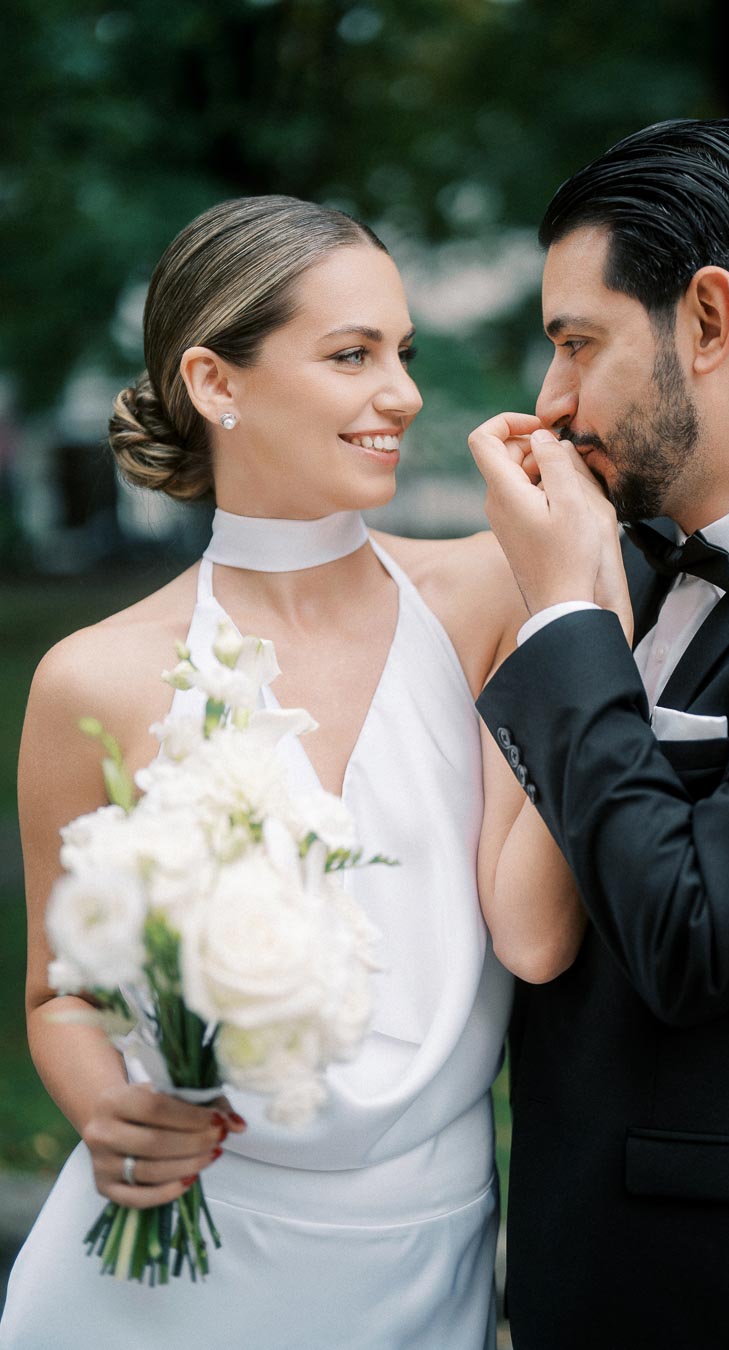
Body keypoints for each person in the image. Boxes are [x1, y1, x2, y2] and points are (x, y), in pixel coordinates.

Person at [1, 196, 583, 1349]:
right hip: (161, 1278)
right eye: (352, 354)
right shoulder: (92, 679)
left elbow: (541, 929)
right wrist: (107, 1112)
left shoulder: (491, 597)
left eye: (402, 353)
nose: (406, 395)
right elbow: (62, 994)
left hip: (423, 1264)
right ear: (217, 384)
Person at [469, 119, 729, 1350]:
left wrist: (563, 614)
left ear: (708, 321)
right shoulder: (630, 552)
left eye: (576, 343)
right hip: (578, 1277)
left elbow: (694, 932)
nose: (548, 401)